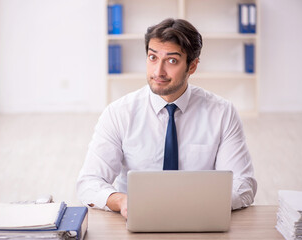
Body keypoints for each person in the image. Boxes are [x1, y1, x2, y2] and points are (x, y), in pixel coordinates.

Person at [77, 18, 257, 219]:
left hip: (199, 218)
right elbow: (89, 183)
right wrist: (122, 201)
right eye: (152, 57)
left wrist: (196, 204)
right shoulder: (119, 113)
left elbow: (244, 185)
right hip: (138, 217)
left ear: (192, 66)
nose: (158, 71)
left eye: (172, 60)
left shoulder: (222, 113)